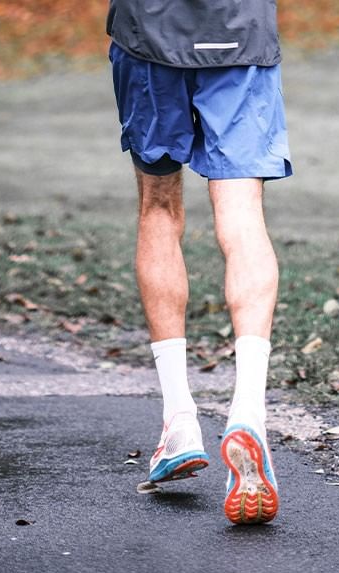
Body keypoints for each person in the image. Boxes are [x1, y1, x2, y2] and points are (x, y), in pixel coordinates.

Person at [107, 0, 293, 524]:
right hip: (241, 36)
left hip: (149, 37)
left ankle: (180, 422)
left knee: (159, 207)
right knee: (242, 213)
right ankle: (248, 412)